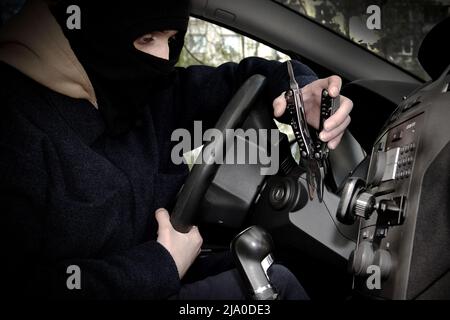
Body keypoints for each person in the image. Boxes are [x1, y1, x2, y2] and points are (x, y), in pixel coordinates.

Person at [0, 0, 353, 299]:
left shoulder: (150, 94)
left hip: (173, 271)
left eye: (172, 39)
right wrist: (160, 264)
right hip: (142, 281)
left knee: (285, 266)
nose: (163, 56)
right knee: (278, 287)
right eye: (147, 38)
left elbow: (246, 79)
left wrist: (303, 92)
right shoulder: (16, 127)